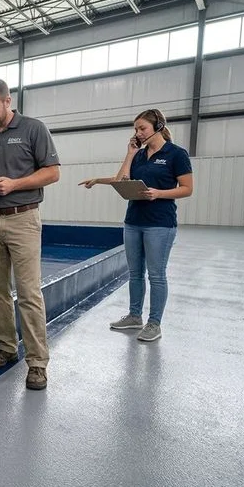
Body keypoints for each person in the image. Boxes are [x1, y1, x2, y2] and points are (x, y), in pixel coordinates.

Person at [0, 78, 60, 390]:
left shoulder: (33, 129)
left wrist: (13, 185)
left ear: (8, 101)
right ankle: (6, 347)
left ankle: (37, 363)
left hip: (23, 218)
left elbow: (53, 172)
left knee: (29, 292)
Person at [78, 109, 193, 342]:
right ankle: (134, 316)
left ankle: (154, 323)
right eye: (136, 129)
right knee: (135, 273)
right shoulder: (139, 155)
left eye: (142, 128)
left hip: (160, 224)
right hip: (133, 222)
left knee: (156, 275)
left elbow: (187, 188)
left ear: (158, 126)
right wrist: (129, 154)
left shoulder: (176, 154)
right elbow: (121, 180)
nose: (138, 133)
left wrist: (159, 193)